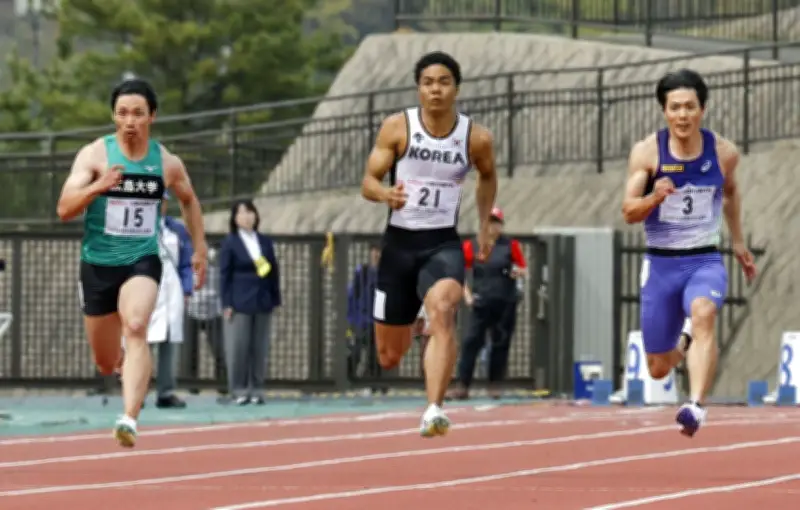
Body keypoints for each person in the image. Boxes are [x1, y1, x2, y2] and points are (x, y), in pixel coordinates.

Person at [56, 78, 208, 448]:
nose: (130, 121)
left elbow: (188, 200)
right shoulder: (94, 155)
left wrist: (199, 248)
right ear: (113, 116)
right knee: (106, 363)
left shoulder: (167, 163)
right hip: (97, 264)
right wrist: (98, 187)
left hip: (141, 257)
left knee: (137, 324)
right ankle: (124, 363)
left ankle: (129, 418)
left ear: (152, 116)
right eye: (122, 113)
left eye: (138, 113)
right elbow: (63, 209)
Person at [360, 51, 498, 438]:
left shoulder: (476, 137)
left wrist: (484, 223)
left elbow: (487, 177)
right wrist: (385, 194)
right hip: (399, 247)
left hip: (442, 245)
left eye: (443, 82)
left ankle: (435, 408)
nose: (435, 90)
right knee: (389, 356)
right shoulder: (397, 128)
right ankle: (417, 322)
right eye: (428, 83)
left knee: (443, 308)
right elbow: (367, 182)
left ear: (456, 88)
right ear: (419, 89)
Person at [622, 69, 756, 437]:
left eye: (690, 107)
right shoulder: (648, 152)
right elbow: (628, 211)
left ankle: (695, 405)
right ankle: (684, 338)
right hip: (661, 263)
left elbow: (729, 192)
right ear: (664, 111)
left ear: (703, 109)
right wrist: (654, 196)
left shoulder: (723, 153)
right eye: (675, 107)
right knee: (658, 368)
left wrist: (738, 241)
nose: (683, 115)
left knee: (704, 312)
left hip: (704, 259)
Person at [450, 206, 526, 400]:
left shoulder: (510, 245)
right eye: (490, 222)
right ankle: (463, 384)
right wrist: (467, 295)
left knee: (500, 343)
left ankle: (494, 384)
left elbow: (523, 268)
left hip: (505, 301)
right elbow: (461, 272)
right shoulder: (472, 246)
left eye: (496, 222)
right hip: (481, 301)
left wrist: (518, 272)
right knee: (471, 342)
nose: (493, 226)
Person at [219, 200, 282, 406]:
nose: (246, 216)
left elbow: (273, 271)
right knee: (239, 347)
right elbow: (224, 275)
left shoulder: (264, 241)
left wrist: (274, 297)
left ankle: (257, 387)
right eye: (241, 213)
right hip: (239, 301)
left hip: (262, 299)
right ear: (235, 219)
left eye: (250, 212)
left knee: (259, 347)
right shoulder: (231, 242)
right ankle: (238, 388)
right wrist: (226, 303)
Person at [147, 191, 194, 408]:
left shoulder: (177, 230)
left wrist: (186, 289)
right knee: (141, 344)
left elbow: (186, 262)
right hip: (145, 290)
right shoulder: (136, 228)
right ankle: (136, 392)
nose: (159, 205)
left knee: (169, 344)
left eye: (163, 201)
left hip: (171, 291)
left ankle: (166, 392)